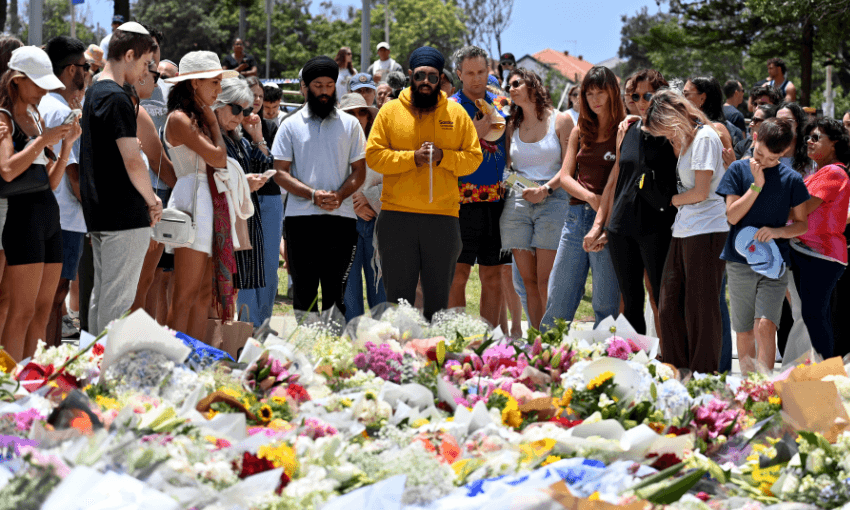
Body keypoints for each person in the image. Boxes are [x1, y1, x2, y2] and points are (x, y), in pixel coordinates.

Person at [366, 46, 482, 320]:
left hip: (442, 219)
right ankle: (398, 359)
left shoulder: (455, 113)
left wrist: (444, 158)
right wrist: (412, 159)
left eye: (432, 77)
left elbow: (473, 158)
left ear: (441, 78)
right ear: (410, 75)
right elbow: (374, 156)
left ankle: (434, 359)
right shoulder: (390, 111)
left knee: (438, 304)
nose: (426, 83)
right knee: (398, 304)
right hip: (397, 218)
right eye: (420, 76)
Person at [80, 23, 162, 335]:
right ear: (128, 55)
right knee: (116, 304)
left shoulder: (94, 92)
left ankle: (94, 368)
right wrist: (152, 200)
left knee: (103, 298)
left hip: (101, 211)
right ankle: (105, 376)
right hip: (123, 214)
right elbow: (133, 160)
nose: (145, 73)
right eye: (144, 63)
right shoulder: (115, 97)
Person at [0, 46, 80, 360]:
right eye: (38, 83)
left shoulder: (35, 116)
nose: (44, 91)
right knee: (21, 310)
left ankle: (31, 382)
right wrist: (43, 141)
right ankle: (8, 389)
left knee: (43, 311)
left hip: (50, 217)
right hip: (23, 220)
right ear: (17, 81)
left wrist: (64, 148)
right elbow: (6, 171)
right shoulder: (5, 118)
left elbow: (52, 181)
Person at [643, 90, 729, 373]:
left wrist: (667, 199)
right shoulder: (690, 140)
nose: (665, 136)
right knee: (668, 303)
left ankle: (703, 373)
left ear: (674, 117)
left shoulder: (704, 138)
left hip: (707, 228)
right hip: (685, 228)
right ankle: (676, 368)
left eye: (664, 129)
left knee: (701, 307)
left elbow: (702, 192)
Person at [272, 55, 366, 315]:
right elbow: (280, 173)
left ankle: (331, 350)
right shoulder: (289, 125)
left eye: (329, 85)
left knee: (336, 290)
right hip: (300, 219)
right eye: (317, 85)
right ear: (305, 86)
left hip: (342, 218)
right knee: (304, 289)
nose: (324, 92)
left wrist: (340, 195)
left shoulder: (351, 125)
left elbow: (360, 171)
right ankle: (305, 345)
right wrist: (312, 195)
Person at [585, 69, 676, 335]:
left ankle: (672, 362)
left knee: (663, 299)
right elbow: (615, 179)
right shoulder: (627, 129)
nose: (641, 101)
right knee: (631, 303)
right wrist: (601, 225)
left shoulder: (673, 132)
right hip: (621, 227)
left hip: (657, 225)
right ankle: (636, 364)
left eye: (648, 94)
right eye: (635, 96)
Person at [715, 118, 809, 374]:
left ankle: (766, 389)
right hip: (739, 262)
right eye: (759, 154)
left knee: (765, 325)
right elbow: (732, 216)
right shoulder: (737, 170)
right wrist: (756, 186)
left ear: (783, 153)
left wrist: (778, 231)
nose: (762, 161)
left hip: (774, 264)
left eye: (771, 158)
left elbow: (802, 225)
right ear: (754, 138)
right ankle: (749, 390)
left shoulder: (792, 180)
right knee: (744, 330)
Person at [163, 51, 238, 339]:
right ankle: (175, 360)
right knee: (185, 293)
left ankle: (193, 358)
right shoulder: (180, 119)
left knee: (205, 293)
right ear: (194, 84)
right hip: (192, 199)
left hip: (208, 199)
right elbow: (218, 159)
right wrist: (215, 124)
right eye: (214, 82)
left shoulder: (200, 119)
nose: (219, 90)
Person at [541, 66, 621, 330]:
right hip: (575, 219)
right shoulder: (579, 131)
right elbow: (564, 177)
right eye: (589, 94)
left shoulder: (624, 130)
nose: (595, 99)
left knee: (606, 303)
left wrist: (601, 208)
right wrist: (590, 197)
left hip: (609, 221)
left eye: (601, 93)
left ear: (613, 93)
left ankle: (609, 363)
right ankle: (546, 360)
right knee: (559, 298)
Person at [500, 68, 573, 329]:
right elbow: (507, 169)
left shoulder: (562, 120)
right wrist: (522, 187)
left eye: (516, 83)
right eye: (509, 85)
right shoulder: (511, 124)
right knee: (527, 281)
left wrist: (545, 190)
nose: (511, 88)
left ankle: (553, 338)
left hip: (553, 199)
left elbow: (569, 166)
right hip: (518, 199)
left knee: (546, 280)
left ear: (533, 85)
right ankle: (537, 340)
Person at [446, 46, 510, 328]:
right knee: (457, 274)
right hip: (461, 201)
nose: (476, 79)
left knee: (493, 276)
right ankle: (456, 337)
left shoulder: (502, 104)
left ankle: (490, 342)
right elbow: (444, 152)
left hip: (498, 201)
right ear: (459, 74)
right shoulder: (449, 107)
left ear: (489, 72)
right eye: (469, 73)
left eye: (481, 72)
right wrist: (476, 134)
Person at [40, 36, 88, 346]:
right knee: (54, 299)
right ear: (71, 70)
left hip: (53, 215)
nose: (87, 73)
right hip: (65, 217)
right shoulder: (61, 112)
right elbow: (74, 176)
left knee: (49, 300)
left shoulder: (48, 105)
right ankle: (46, 365)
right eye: (85, 67)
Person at [789, 118, 850, 358]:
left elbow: (800, 210)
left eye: (816, 137)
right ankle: (827, 371)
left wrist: (766, 209)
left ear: (834, 142)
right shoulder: (820, 171)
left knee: (815, 315)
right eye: (808, 137)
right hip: (808, 252)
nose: (809, 142)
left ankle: (829, 372)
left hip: (821, 253)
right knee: (814, 315)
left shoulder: (833, 171)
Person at [131, 25, 177, 324]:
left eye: (156, 47)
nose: (153, 55)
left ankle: (155, 332)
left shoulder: (169, 90)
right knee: (140, 275)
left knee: (161, 273)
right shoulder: (126, 88)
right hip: (140, 189)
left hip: (168, 189)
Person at [235, 76, 281, 328]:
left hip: (269, 198)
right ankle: (245, 323)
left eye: (260, 97)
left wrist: (258, 136)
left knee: (270, 264)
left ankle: (264, 323)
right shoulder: (230, 127)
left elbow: (270, 163)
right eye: (252, 95)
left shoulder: (271, 127)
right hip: (242, 199)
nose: (256, 101)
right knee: (246, 262)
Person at [339, 93, 385, 321]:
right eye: (350, 113)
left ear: (369, 116)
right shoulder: (331, 148)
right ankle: (351, 347)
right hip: (345, 225)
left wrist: (369, 199)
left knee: (381, 293)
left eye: (362, 112)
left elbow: (397, 182)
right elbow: (322, 186)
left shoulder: (382, 145)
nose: (357, 118)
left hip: (378, 224)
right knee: (349, 293)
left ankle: (383, 351)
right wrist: (353, 203)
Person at [684, 77, 739, 151]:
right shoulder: (691, 126)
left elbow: (730, 161)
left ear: (702, 98)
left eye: (686, 94)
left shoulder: (717, 129)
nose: (682, 98)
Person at [776, 102, 814, 175]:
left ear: (798, 124)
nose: (782, 125)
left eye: (788, 121)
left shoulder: (811, 159)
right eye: (778, 121)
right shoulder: (766, 157)